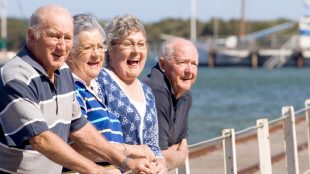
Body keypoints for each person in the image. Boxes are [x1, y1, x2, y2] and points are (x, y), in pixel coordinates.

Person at [0, 5, 154, 174]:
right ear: (31, 36)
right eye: (54, 36)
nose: (62, 46)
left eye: (67, 38)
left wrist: (124, 163)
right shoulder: (16, 76)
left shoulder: (63, 72)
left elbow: (80, 127)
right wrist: (97, 171)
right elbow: (41, 139)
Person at [66, 13, 154, 165]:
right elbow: (75, 150)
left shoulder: (94, 90)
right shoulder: (72, 90)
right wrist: (132, 151)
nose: (96, 54)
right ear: (70, 53)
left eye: (100, 47)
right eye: (87, 47)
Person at [96, 14, 167, 174]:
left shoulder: (147, 91)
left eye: (141, 44)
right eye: (128, 44)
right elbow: (92, 142)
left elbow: (152, 145)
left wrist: (160, 161)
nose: (136, 50)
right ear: (110, 50)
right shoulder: (100, 82)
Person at [143, 37, 199, 170]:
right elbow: (159, 158)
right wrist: (182, 155)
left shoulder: (185, 95)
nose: (189, 71)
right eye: (182, 63)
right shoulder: (156, 91)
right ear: (162, 64)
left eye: (194, 64)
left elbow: (181, 141)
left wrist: (175, 153)